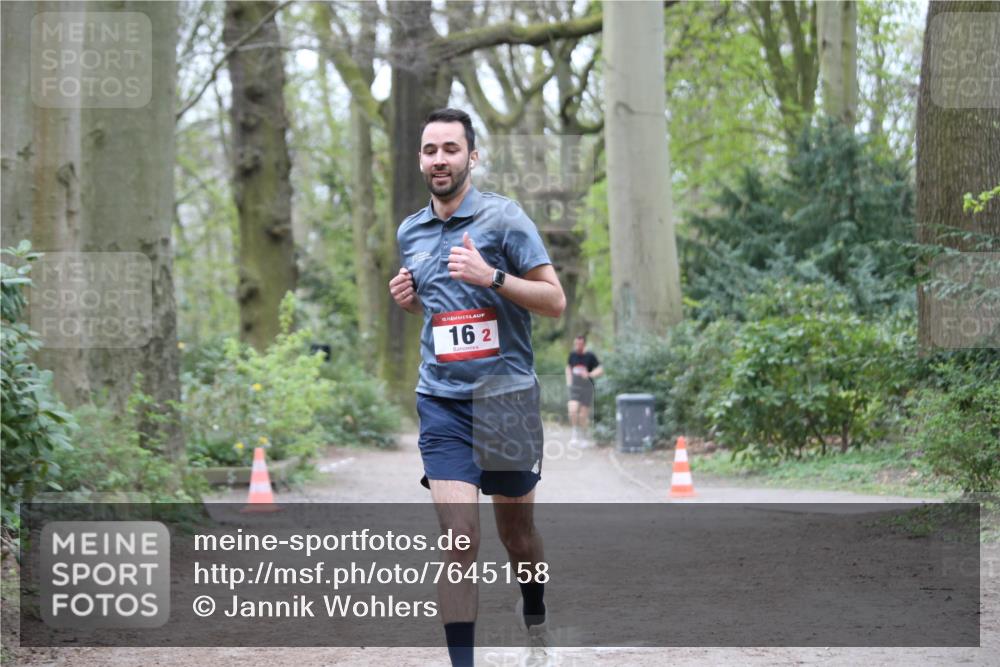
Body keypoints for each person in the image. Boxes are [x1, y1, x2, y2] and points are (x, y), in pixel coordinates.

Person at [389, 108, 566, 667]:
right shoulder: (411, 231)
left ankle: (535, 620)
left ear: (472, 156)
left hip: (505, 400)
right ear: (420, 159)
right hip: (442, 400)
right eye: (429, 150)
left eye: (450, 149)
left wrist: (491, 275)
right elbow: (444, 315)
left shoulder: (504, 220)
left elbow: (554, 302)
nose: (439, 159)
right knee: (460, 539)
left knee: (518, 539)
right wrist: (412, 301)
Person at [565, 334, 602, 444]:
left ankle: (583, 436)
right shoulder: (572, 355)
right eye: (576, 343)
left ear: (584, 344)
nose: (577, 346)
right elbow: (568, 368)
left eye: (580, 344)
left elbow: (600, 369)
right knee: (572, 410)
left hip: (587, 388)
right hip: (575, 387)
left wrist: (590, 374)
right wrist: (569, 381)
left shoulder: (590, 356)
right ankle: (575, 432)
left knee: (583, 415)